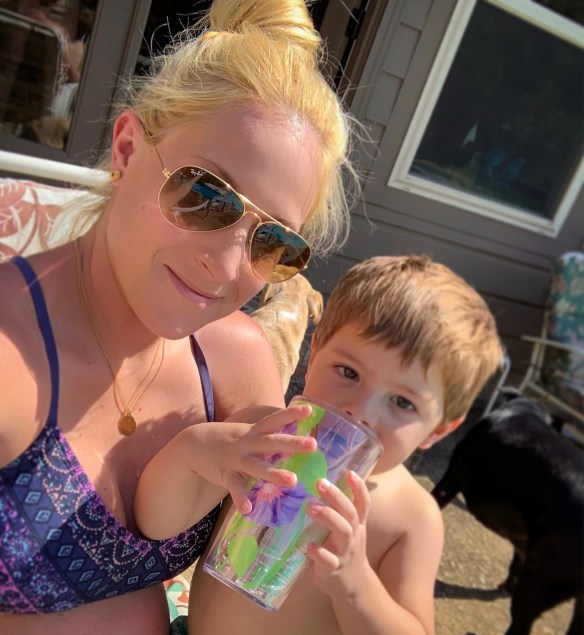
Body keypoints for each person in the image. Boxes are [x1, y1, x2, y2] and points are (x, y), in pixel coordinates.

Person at [0, 1, 359, 633]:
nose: (225, 265)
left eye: (274, 241)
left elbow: (241, 596)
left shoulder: (235, 361)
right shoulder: (13, 353)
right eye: (204, 194)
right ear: (126, 148)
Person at [134, 254, 505, 635]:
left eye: (402, 402)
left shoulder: (411, 519)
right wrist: (196, 451)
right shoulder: (257, 438)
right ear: (313, 356)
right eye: (348, 372)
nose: (359, 410)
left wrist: (356, 585)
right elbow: (154, 524)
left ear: (436, 431)